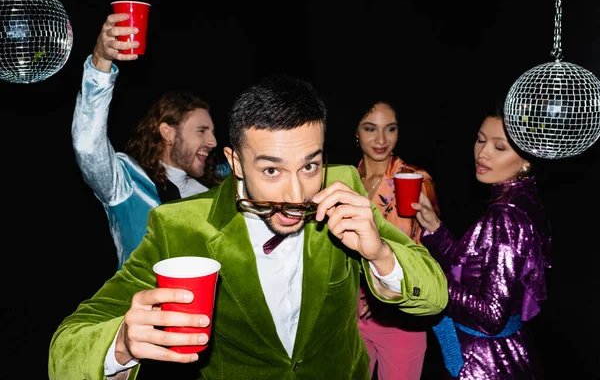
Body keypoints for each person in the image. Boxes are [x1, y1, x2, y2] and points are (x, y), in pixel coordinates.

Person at [49, 72, 449, 380]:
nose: (297, 193)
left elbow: (434, 296)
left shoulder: (343, 186)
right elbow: (64, 352)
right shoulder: (179, 226)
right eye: (272, 169)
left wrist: (380, 254)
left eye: (310, 165)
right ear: (236, 162)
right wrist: (121, 342)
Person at [72, 12, 221, 268]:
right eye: (201, 131)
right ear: (168, 133)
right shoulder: (127, 183)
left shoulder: (221, 182)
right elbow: (87, 146)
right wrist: (101, 61)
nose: (213, 141)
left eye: (212, 132)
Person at [412, 109, 552, 379]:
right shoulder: (524, 198)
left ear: (526, 159)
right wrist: (435, 228)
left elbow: (491, 315)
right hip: (508, 351)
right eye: (480, 140)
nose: (482, 153)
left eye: (499, 146)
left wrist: (427, 281)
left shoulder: (505, 216)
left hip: (484, 362)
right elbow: (475, 272)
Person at [354, 100, 441, 380]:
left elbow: (432, 249)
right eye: (370, 129)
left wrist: (380, 291)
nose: (381, 140)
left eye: (390, 129)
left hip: (401, 315)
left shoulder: (416, 179)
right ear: (356, 133)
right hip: (350, 313)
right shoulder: (346, 181)